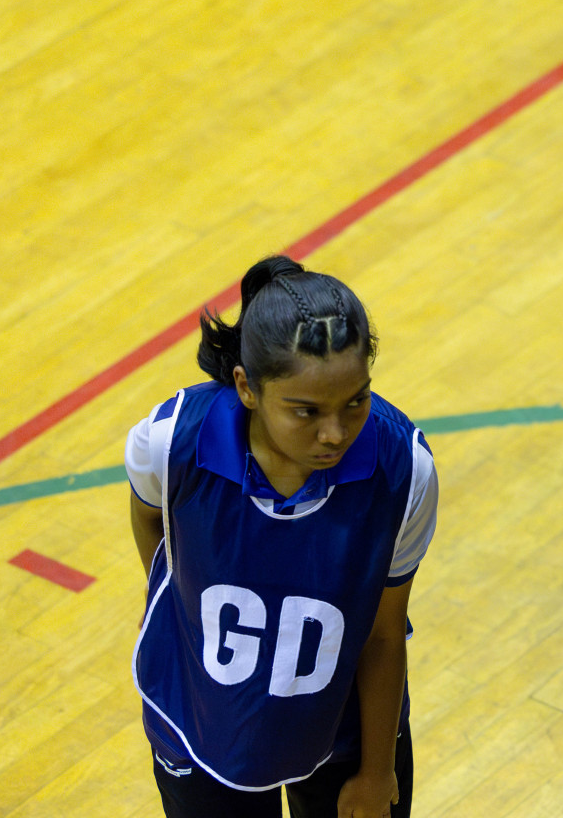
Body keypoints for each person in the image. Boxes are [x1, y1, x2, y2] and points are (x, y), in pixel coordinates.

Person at [126, 255, 438, 818]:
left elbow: (385, 635)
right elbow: (152, 520)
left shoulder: (404, 471)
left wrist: (376, 772)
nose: (335, 432)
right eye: (306, 411)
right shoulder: (171, 441)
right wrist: (185, 604)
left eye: (356, 401)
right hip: (202, 720)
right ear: (246, 387)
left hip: (340, 728)